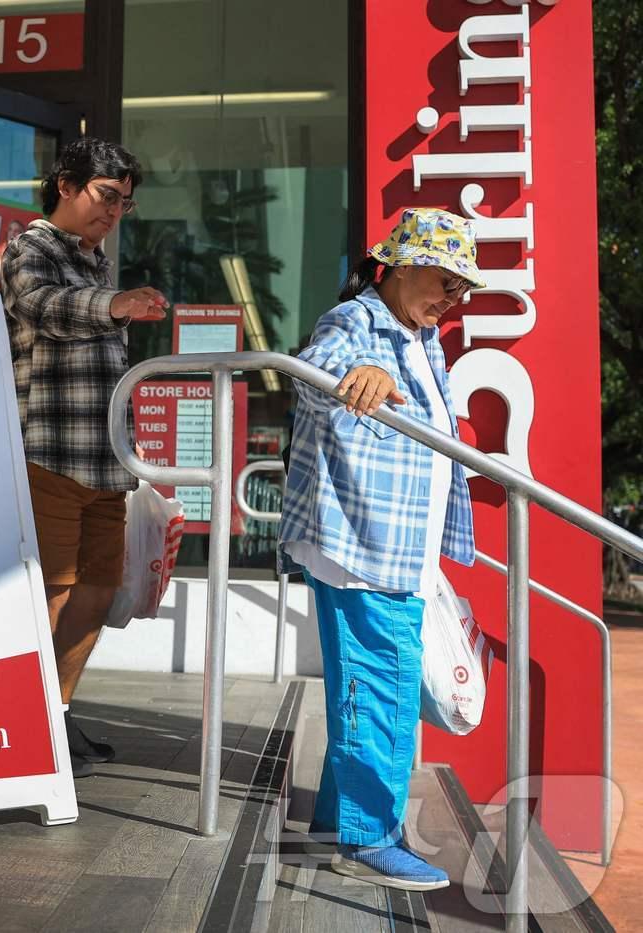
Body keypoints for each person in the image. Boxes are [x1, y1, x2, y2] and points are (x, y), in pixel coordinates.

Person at [278, 207, 484, 891]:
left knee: (368, 684)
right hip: (361, 544)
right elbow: (320, 371)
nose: (450, 298)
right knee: (384, 687)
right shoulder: (358, 322)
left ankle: (341, 822)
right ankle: (369, 839)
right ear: (393, 266)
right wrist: (359, 371)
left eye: (461, 290)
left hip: (397, 547)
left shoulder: (424, 339)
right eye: (442, 279)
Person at [0, 137, 169, 778]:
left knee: (97, 594)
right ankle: (21, 725)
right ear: (66, 184)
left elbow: (101, 363)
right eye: (105, 195)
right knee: (51, 594)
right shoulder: (30, 246)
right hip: (48, 456)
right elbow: (43, 308)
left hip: (105, 463)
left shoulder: (95, 261)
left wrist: (132, 441)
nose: (114, 211)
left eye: (124, 203)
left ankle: (55, 715)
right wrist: (115, 305)